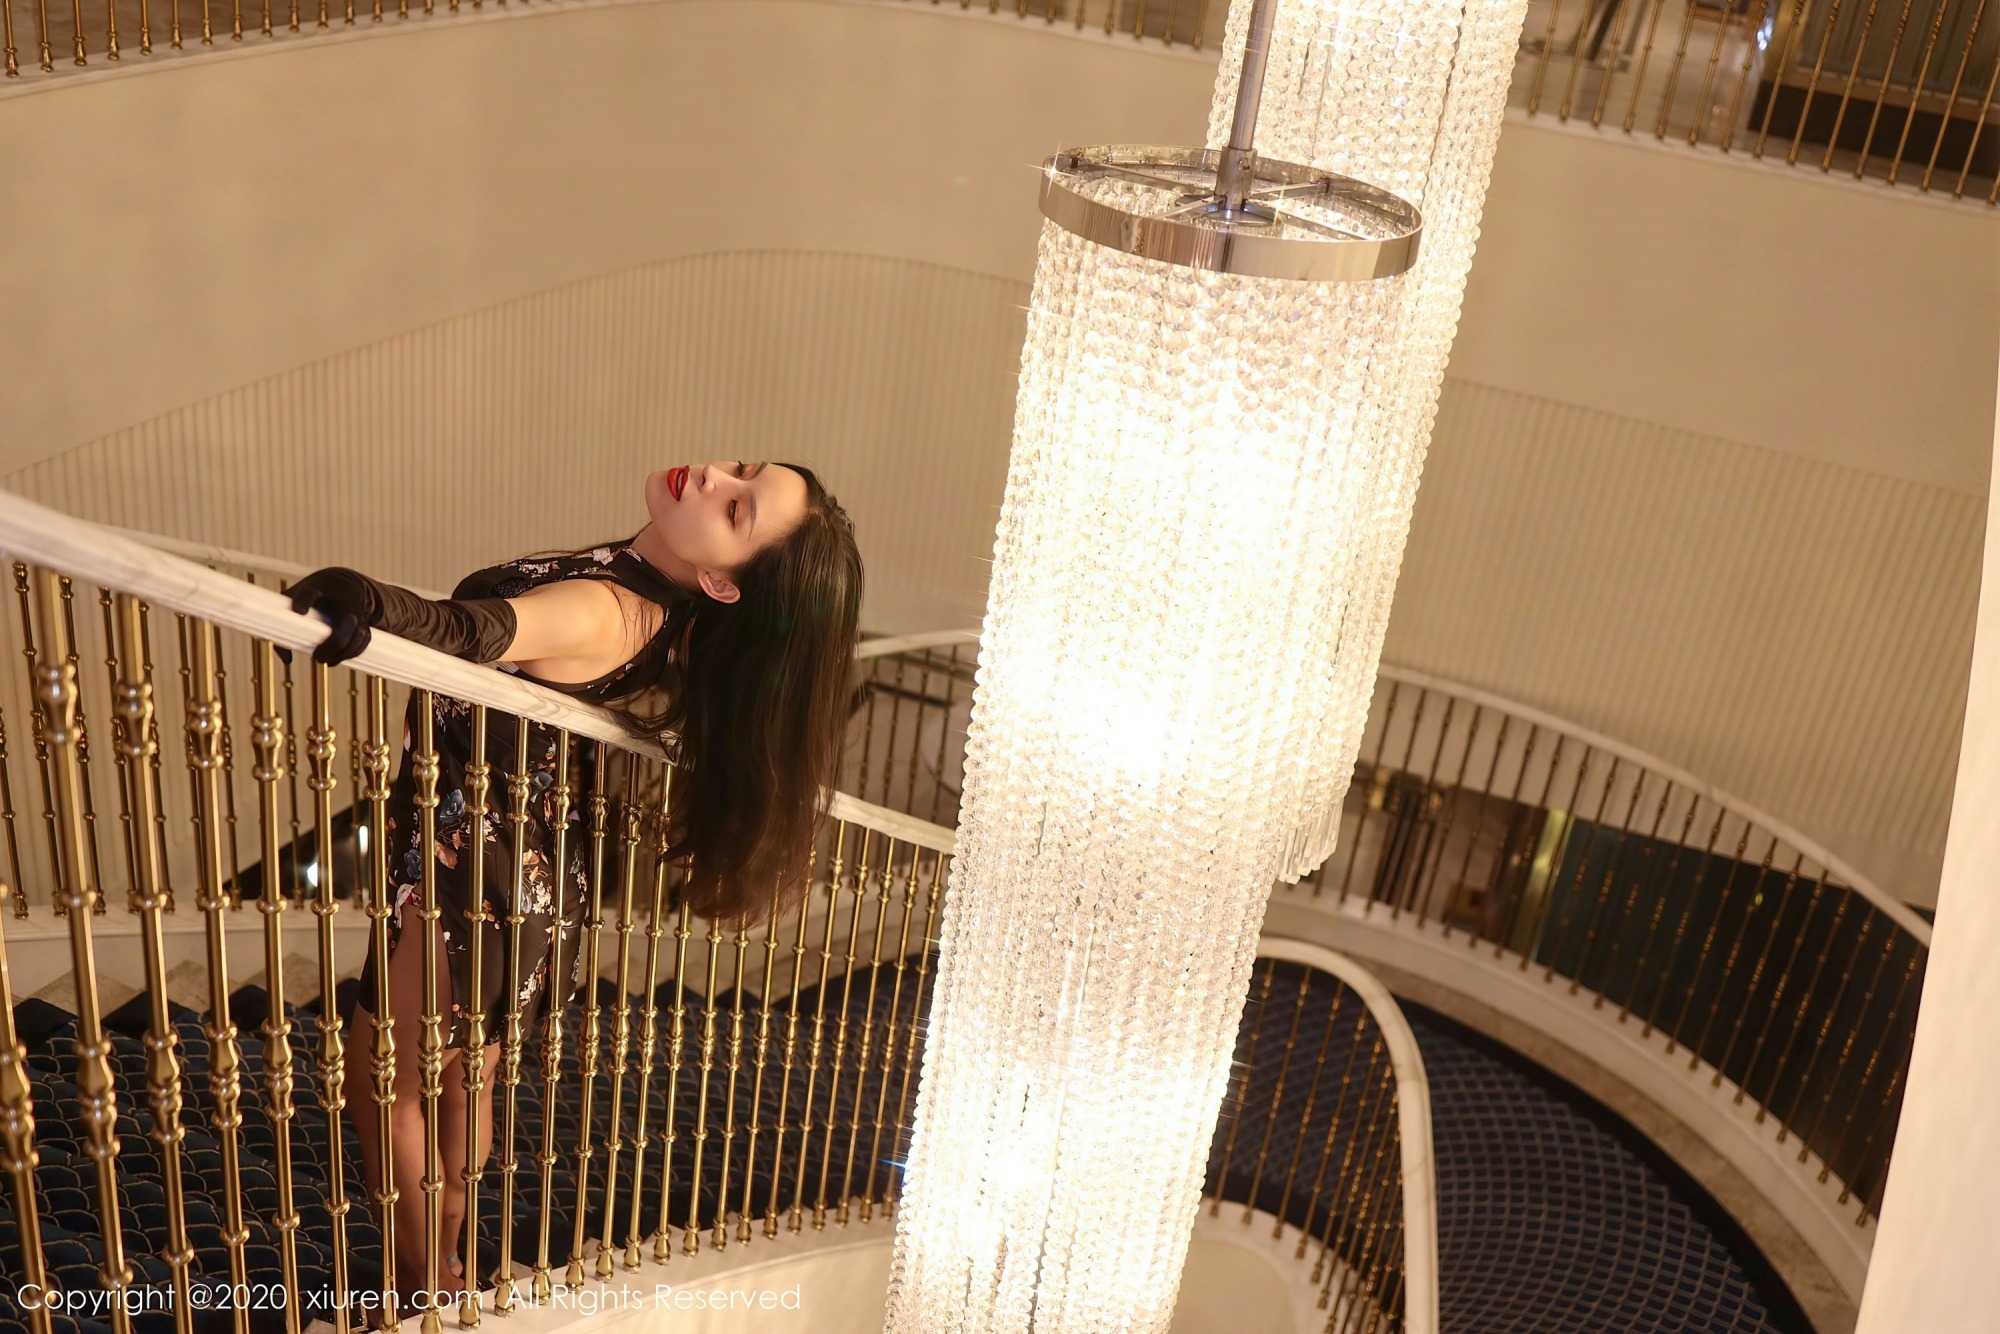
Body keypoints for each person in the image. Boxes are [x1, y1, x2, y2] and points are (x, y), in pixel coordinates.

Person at [285, 460, 862, 1311]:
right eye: (740, 470)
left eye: (736, 508)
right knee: (460, 1079)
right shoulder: (649, 599)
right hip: (516, 869)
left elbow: (471, 630)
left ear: (720, 581)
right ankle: (446, 1265)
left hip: (472, 869)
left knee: (390, 1086)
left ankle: (422, 1284)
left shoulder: (611, 608)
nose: (711, 475)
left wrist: (366, 605)